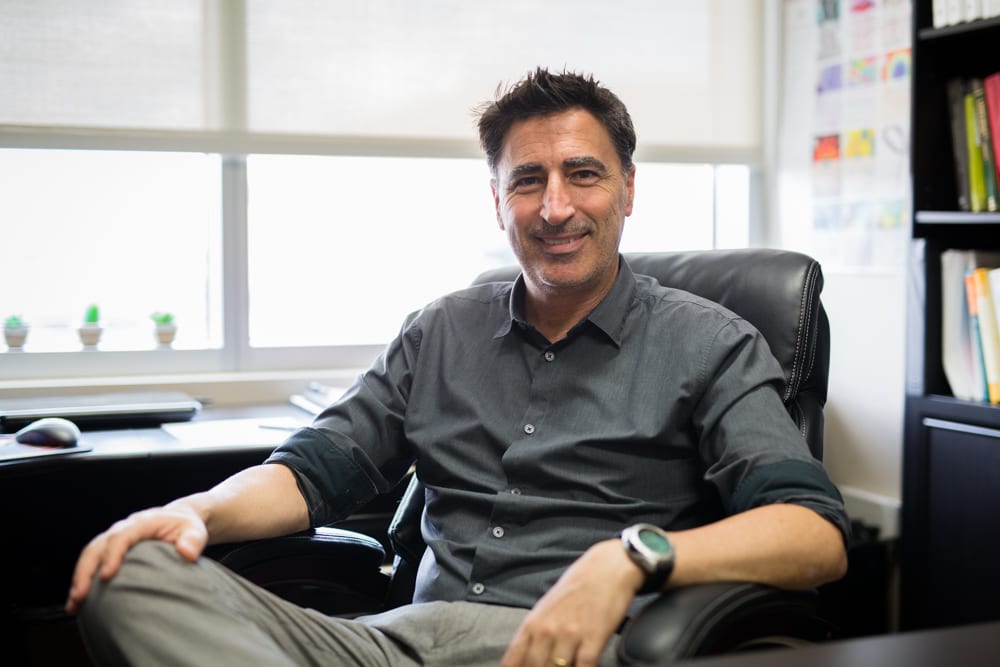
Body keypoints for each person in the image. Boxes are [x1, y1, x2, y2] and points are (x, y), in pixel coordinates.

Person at [67, 68, 848, 667]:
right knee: (129, 571)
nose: (555, 207)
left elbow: (815, 533)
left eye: (583, 173)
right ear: (497, 199)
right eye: (527, 180)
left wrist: (630, 554)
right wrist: (200, 510)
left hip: (562, 646)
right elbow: (309, 472)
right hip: (393, 641)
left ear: (628, 189)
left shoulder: (710, 340)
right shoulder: (440, 329)